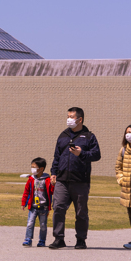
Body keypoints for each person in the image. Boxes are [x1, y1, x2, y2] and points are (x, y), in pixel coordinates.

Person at [48, 106, 101, 250]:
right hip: (62, 180)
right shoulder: (63, 135)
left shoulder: (89, 136)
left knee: (81, 212)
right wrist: (53, 172)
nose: (69, 119)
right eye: (68, 116)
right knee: (58, 208)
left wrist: (81, 153)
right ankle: (59, 239)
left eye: (71, 117)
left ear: (80, 119)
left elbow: (96, 155)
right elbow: (57, 156)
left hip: (80, 181)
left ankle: (81, 240)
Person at [22, 157, 54, 247]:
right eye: (31, 167)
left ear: (41, 169)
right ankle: (28, 239)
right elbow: (26, 192)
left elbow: (52, 191)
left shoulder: (47, 180)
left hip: (43, 207)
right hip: (33, 206)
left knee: (43, 225)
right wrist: (23, 203)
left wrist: (53, 184)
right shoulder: (31, 179)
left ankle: (42, 240)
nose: (32, 169)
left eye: (34, 167)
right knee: (30, 223)